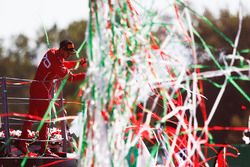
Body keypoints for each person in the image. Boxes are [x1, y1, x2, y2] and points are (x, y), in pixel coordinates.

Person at [17, 40, 87, 157]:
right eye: (68, 53)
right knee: (46, 119)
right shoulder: (57, 64)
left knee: (31, 115)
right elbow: (71, 78)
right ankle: (44, 149)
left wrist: (79, 63)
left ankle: (22, 143)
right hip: (42, 90)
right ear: (63, 50)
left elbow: (63, 64)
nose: (69, 55)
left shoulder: (52, 52)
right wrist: (87, 74)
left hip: (35, 87)